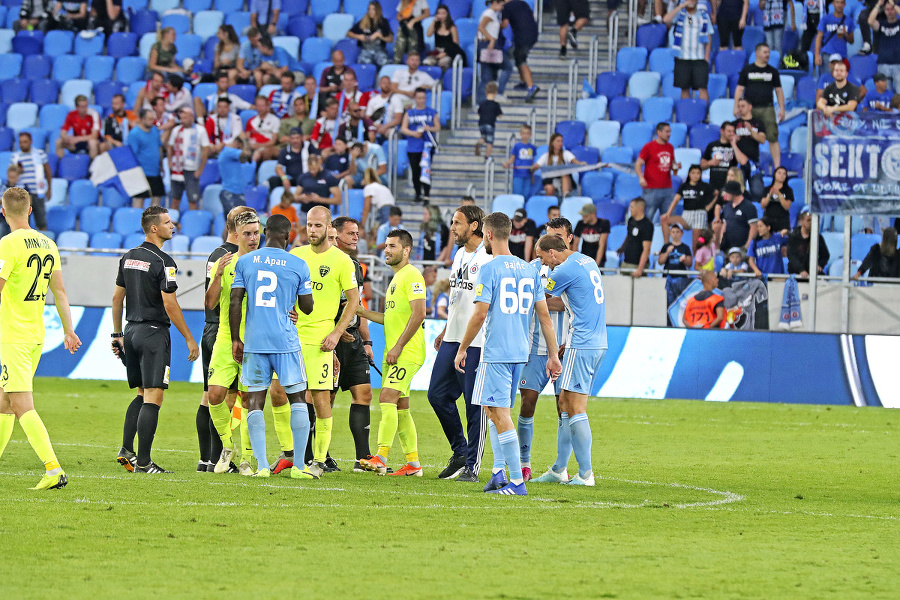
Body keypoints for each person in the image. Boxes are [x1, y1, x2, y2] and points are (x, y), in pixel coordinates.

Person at [453, 213, 560, 496]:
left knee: (498, 413)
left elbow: (479, 314)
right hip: (520, 353)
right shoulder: (529, 269)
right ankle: (499, 472)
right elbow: (545, 318)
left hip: (497, 351)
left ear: (487, 235)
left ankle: (516, 482)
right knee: (494, 410)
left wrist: (462, 348)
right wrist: (553, 354)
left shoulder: (489, 269)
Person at [0, 187, 81, 490]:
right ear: (31, 210)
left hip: (13, 336)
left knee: (21, 404)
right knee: (5, 403)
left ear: (3, 210)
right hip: (35, 334)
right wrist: (69, 329)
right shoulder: (48, 243)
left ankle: (53, 469)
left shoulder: (7, 244)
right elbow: (59, 291)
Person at [112, 207, 200, 474]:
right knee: (154, 396)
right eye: (167, 222)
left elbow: (117, 299)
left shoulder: (128, 257)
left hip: (131, 332)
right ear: (154, 228)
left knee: (141, 393)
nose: (173, 225)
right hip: (153, 335)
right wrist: (189, 338)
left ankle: (127, 449)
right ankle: (145, 462)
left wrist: (117, 335)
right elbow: (169, 303)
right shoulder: (165, 262)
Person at [230, 215, 318, 479]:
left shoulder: (245, 261)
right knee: (298, 399)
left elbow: (235, 301)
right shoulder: (298, 264)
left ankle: (262, 467)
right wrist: (291, 305)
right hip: (285, 342)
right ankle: (300, 466)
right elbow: (307, 307)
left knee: (255, 400)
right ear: (289, 237)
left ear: (265, 232)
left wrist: (236, 338)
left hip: (255, 342)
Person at [288, 207, 360, 476]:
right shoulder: (296, 256)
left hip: (321, 342)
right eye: (308, 225)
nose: (312, 230)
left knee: (321, 400)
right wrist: (287, 309)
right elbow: (285, 292)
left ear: (329, 227)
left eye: (318, 225)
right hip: (292, 340)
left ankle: (318, 461)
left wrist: (336, 332)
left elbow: (354, 301)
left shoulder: (342, 261)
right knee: (279, 396)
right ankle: (290, 455)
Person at [532, 232, 606, 486]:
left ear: (553, 252)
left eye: (543, 258)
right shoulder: (586, 260)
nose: (544, 264)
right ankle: (558, 469)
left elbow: (540, 298)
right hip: (595, 341)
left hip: (583, 343)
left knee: (575, 407)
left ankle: (586, 474)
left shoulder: (563, 271)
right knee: (564, 402)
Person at [427, 206, 491, 481]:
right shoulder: (459, 255)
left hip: (476, 341)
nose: (452, 227)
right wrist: (445, 328)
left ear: (474, 226)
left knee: (473, 404)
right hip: (453, 338)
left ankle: (472, 467)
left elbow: (484, 307)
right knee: (437, 395)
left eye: (457, 222)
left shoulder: (488, 259)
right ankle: (460, 451)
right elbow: (458, 298)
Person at [356, 229, 426, 476]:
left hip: (407, 352)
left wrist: (397, 347)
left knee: (386, 397)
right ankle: (413, 464)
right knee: (401, 407)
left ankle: (381, 457)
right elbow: (390, 319)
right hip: (396, 351)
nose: (386, 250)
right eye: (386, 245)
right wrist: (362, 312)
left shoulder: (413, 275)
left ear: (406, 250)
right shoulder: (396, 279)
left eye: (392, 246)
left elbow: (419, 314)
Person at [516, 217, 571, 481]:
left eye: (558, 237)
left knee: (566, 407)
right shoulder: (531, 267)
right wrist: (549, 301)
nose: (553, 243)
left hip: (566, 347)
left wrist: (541, 300)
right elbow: (527, 302)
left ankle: (561, 467)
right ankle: (524, 464)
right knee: (527, 402)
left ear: (569, 239)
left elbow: (568, 305)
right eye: (549, 236)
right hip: (534, 347)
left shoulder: (577, 267)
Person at [204, 209, 258, 474]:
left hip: (256, 339)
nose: (253, 238)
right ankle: (228, 445)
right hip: (226, 336)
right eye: (247, 233)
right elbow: (210, 303)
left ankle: (247, 458)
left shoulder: (264, 263)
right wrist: (217, 276)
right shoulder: (224, 263)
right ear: (236, 235)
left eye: (257, 233)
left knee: (248, 399)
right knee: (214, 395)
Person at [331, 217, 376, 470]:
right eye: (350, 233)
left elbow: (358, 307)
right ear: (335, 234)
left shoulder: (357, 266)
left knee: (364, 394)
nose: (356, 237)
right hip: (330, 341)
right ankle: (320, 454)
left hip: (354, 340)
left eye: (357, 233)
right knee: (324, 397)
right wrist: (335, 332)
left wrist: (366, 340)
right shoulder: (325, 263)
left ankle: (363, 458)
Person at [734, 43, 785, 167]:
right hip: (749, 110)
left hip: (767, 108)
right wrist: (736, 106)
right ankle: (744, 164)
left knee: (773, 137)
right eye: (765, 52)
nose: (768, 55)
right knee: (746, 136)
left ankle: (777, 167)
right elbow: (739, 89)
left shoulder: (773, 71)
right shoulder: (747, 70)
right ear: (757, 53)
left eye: (768, 52)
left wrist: (782, 108)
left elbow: (779, 90)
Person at [665, 0, 714, 102]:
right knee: (684, 88)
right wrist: (682, 5)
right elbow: (666, 19)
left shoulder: (704, 16)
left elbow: (709, 37)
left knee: (703, 88)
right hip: (683, 57)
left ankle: (703, 113)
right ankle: (687, 114)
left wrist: (706, 58)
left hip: (699, 58)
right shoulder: (680, 14)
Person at [401, 88, 440, 203]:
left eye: (423, 98)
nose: (421, 100)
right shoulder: (409, 113)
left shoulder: (432, 112)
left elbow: (437, 127)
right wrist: (413, 133)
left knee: (426, 170)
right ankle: (418, 194)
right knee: (415, 171)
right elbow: (403, 128)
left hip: (426, 147)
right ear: (415, 98)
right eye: (419, 98)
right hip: (413, 147)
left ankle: (426, 195)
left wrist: (429, 128)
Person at [664, 164, 715, 249]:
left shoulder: (705, 186)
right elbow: (676, 199)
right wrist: (668, 213)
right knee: (664, 220)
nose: (695, 175)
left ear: (701, 175)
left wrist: (709, 207)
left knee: (695, 245)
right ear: (689, 174)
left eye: (698, 173)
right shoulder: (684, 186)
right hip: (686, 215)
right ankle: (665, 247)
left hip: (700, 215)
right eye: (693, 173)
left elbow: (716, 194)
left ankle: (695, 260)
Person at [167, 108, 210, 211]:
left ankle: (193, 223)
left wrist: (200, 169)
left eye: (185, 117)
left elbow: (205, 150)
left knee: (192, 200)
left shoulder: (200, 130)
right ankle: (172, 224)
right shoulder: (176, 130)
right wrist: (169, 162)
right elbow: (170, 147)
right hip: (177, 169)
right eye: (181, 118)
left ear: (192, 117)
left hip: (192, 169)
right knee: (175, 200)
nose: (183, 120)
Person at [636, 122, 680, 222]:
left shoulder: (670, 147)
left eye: (670, 132)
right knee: (647, 219)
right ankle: (645, 238)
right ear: (659, 132)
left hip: (667, 189)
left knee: (669, 219)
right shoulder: (648, 147)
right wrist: (641, 178)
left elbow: (673, 166)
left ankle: (668, 238)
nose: (669, 134)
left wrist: (676, 167)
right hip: (651, 189)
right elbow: (638, 164)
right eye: (667, 132)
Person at [10, 132, 52, 231]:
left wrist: (49, 189)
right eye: (20, 142)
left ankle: (43, 243)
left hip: (37, 192)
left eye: (25, 142)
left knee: (41, 221)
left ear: (31, 142)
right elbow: (12, 175)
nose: (22, 144)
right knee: (23, 224)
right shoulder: (15, 157)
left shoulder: (40, 154)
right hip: (22, 194)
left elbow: (48, 172)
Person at [501, 0, 540, 101]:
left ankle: (531, 86)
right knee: (517, 55)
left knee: (521, 59)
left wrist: (495, 26)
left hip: (522, 35)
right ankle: (523, 81)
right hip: (533, 32)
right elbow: (531, 15)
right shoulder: (523, 3)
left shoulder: (506, 7)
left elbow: (504, 24)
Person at [127, 109, 165, 209]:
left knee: (157, 197)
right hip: (141, 172)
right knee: (140, 199)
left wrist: (161, 166)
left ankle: (152, 221)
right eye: (148, 119)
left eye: (152, 119)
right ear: (142, 119)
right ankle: (137, 221)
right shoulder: (134, 134)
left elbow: (159, 148)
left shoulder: (155, 130)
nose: (151, 121)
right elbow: (131, 154)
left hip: (155, 171)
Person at [477, 0, 512, 103]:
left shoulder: (495, 15)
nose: (502, 7)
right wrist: (491, 39)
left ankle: (481, 101)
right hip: (488, 44)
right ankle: (499, 92)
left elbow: (492, 27)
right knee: (507, 67)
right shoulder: (489, 13)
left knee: (486, 76)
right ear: (495, 3)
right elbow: (481, 27)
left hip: (488, 44)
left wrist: (502, 25)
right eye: (501, 4)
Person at [659, 222, 693, 322]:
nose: (675, 234)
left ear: (681, 233)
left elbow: (690, 263)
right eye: (673, 232)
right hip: (668, 278)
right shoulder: (666, 246)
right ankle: (669, 322)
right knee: (668, 302)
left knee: (681, 302)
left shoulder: (685, 247)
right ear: (670, 233)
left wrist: (685, 259)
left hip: (681, 278)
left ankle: (680, 321)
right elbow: (660, 261)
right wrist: (667, 252)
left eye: (677, 232)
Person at [533, 132, 586, 197]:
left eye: (561, 141)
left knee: (565, 174)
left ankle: (566, 196)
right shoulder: (546, 156)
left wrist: (581, 163)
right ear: (552, 143)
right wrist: (532, 168)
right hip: (551, 180)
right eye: (558, 141)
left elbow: (575, 161)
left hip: (565, 181)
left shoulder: (566, 153)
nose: (560, 143)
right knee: (549, 188)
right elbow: (537, 166)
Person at [350, 1, 394, 68]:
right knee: (363, 64)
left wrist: (379, 35)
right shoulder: (363, 21)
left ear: (377, 10)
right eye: (369, 9)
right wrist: (358, 36)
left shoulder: (383, 22)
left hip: (379, 50)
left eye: (373, 9)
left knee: (384, 63)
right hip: (365, 50)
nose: (370, 11)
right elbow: (349, 33)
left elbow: (390, 39)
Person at [701, 122, 742, 194]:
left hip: (730, 185)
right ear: (722, 131)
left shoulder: (736, 146)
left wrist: (734, 145)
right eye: (729, 131)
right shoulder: (712, 145)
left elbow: (742, 161)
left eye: (733, 131)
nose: (731, 133)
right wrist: (710, 162)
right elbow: (702, 165)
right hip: (714, 185)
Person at [787, 208, 830, 277]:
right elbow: (792, 257)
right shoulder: (793, 237)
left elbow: (825, 255)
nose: (811, 223)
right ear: (801, 221)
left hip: (813, 272)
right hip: (796, 272)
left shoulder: (818, 237)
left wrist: (820, 265)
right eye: (808, 220)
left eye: (813, 220)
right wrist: (801, 270)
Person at [618, 197, 654, 277]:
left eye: (632, 207)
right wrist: (622, 247)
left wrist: (640, 269)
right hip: (626, 261)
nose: (630, 209)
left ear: (640, 208)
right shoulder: (631, 220)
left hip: (637, 264)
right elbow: (629, 235)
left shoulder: (647, 225)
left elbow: (646, 249)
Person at [56, 94, 99, 159]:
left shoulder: (93, 114)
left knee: (93, 143)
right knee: (58, 142)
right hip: (76, 142)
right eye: (82, 107)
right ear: (77, 107)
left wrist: (78, 138)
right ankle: (61, 163)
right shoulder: (71, 115)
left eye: (85, 106)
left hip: (88, 141)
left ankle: (92, 165)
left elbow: (94, 135)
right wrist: (66, 138)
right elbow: (63, 132)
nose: (84, 109)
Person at [869, 2, 900, 92]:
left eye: (892, 9)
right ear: (884, 11)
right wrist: (878, 5)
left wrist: (894, 4)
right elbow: (870, 21)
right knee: (885, 94)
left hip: (898, 63)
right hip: (883, 63)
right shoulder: (881, 24)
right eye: (887, 9)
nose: (890, 11)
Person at [720, 180, 758, 252]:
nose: (725, 195)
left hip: (742, 248)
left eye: (727, 192)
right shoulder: (726, 207)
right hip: (728, 248)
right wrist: (720, 242)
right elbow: (724, 226)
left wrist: (747, 246)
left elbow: (754, 227)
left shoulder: (749, 207)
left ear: (733, 193)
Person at [733, 97, 765, 182]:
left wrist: (751, 131)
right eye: (738, 106)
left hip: (754, 161)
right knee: (738, 190)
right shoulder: (734, 124)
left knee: (757, 191)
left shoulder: (758, 123)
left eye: (743, 106)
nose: (740, 108)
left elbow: (762, 140)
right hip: (738, 162)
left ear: (750, 107)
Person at [815, 0, 855, 66]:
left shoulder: (849, 20)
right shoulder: (825, 19)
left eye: (841, 3)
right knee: (827, 75)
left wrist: (846, 34)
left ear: (844, 5)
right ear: (833, 4)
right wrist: (817, 55)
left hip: (842, 55)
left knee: (840, 75)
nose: (839, 5)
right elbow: (819, 37)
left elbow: (851, 41)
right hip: (827, 53)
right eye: (837, 2)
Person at [426, 4, 465, 70]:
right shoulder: (436, 26)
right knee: (427, 62)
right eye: (439, 13)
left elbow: (455, 44)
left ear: (447, 14)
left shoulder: (452, 27)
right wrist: (434, 21)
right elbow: (428, 34)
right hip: (438, 51)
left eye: (443, 13)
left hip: (449, 51)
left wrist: (445, 53)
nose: (441, 15)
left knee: (443, 63)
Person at [218, 138, 252, 213]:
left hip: (237, 192)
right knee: (236, 220)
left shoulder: (231, 155)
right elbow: (246, 153)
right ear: (236, 143)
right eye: (240, 147)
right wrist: (245, 142)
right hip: (231, 192)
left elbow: (246, 160)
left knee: (231, 222)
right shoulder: (228, 151)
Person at [244, 95, 281, 162]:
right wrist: (249, 145)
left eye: (262, 106)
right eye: (258, 106)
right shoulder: (251, 121)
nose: (259, 108)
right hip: (252, 146)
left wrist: (258, 146)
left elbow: (273, 141)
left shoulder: (275, 120)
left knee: (257, 153)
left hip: (266, 146)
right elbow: (246, 138)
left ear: (267, 107)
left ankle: (252, 169)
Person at [504, 124, 537, 198]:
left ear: (530, 135)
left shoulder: (532, 147)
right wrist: (507, 163)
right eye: (524, 133)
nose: (525, 135)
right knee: (517, 193)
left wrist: (532, 176)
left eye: (528, 133)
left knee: (526, 194)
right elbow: (512, 158)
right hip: (518, 174)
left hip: (528, 174)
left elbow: (532, 162)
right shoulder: (517, 146)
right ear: (521, 134)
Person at [574, 202, 610, 266]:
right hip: (584, 258)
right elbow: (575, 244)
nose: (583, 218)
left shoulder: (604, 223)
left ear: (593, 214)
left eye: (585, 215)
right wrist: (576, 261)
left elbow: (602, 245)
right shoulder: (580, 224)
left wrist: (596, 264)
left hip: (599, 258)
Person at [761, 166, 793, 232]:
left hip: (782, 220)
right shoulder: (767, 189)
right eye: (779, 173)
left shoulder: (788, 190)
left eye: (784, 174)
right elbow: (763, 205)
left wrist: (780, 195)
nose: (782, 175)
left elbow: (787, 207)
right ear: (775, 174)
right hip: (768, 219)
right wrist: (769, 196)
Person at [476, 81, 502, 158]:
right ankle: (487, 156)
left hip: (481, 123)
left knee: (483, 137)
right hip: (490, 124)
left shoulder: (482, 103)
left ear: (485, 92)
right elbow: (500, 115)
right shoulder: (496, 104)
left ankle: (479, 143)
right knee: (490, 141)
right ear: (496, 92)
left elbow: (479, 112)